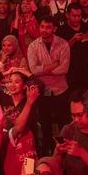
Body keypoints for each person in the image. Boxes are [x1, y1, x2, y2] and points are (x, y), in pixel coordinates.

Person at [26, 16, 71, 152]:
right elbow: (34, 70)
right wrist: (54, 64)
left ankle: (65, 152)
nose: (44, 30)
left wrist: (44, 69)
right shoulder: (33, 46)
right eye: (42, 27)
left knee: (64, 124)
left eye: (48, 27)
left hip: (61, 90)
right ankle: (47, 153)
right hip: (42, 91)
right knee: (45, 125)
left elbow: (64, 69)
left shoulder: (63, 44)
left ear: (54, 29)